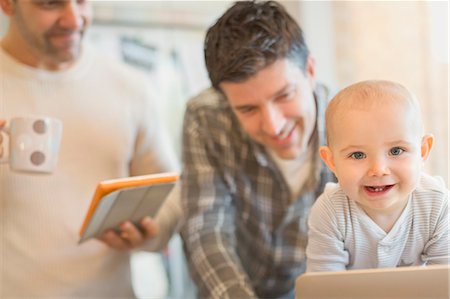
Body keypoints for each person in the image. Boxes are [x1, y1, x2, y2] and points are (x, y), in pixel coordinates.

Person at [0, 0, 179, 296]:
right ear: (7, 3)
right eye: (51, 3)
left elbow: (172, 194)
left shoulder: (131, 87)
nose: (74, 19)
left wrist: (150, 233)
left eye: (82, 1)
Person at [180, 1, 335, 298]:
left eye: (284, 95)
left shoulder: (350, 125)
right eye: (248, 108)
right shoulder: (206, 118)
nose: (273, 125)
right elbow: (206, 229)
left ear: (311, 70)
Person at [306, 80, 449, 272]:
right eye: (358, 155)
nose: (379, 169)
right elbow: (323, 289)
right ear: (331, 162)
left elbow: (444, 283)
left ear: (423, 152)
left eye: (396, 151)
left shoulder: (437, 205)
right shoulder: (329, 212)